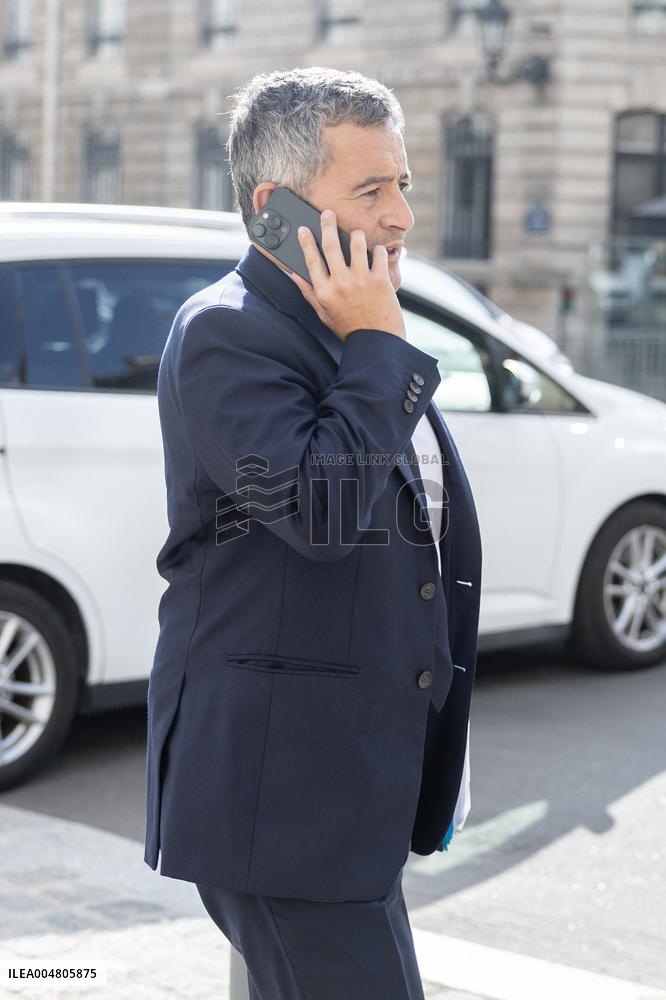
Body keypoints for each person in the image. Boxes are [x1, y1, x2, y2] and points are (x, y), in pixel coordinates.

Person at [144, 66, 482, 1000]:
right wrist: (379, 345)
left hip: (346, 795)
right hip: (280, 803)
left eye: (404, 184)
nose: (402, 216)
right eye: (370, 190)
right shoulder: (226, 334)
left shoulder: (349, 330)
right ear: (275, 205)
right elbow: (319, 513)